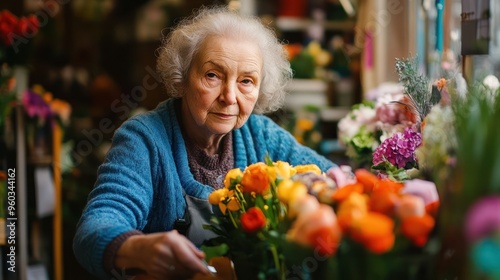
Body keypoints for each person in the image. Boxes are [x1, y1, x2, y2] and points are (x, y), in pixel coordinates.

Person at [73, 5, 337, 280]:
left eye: (246, 81)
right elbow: (94, 228)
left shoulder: (262, 135)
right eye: (213, 75)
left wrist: (315, 189)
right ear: (182, 78)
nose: (229, 96)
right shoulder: (144, 138)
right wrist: (138, 247)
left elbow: (339, 180)